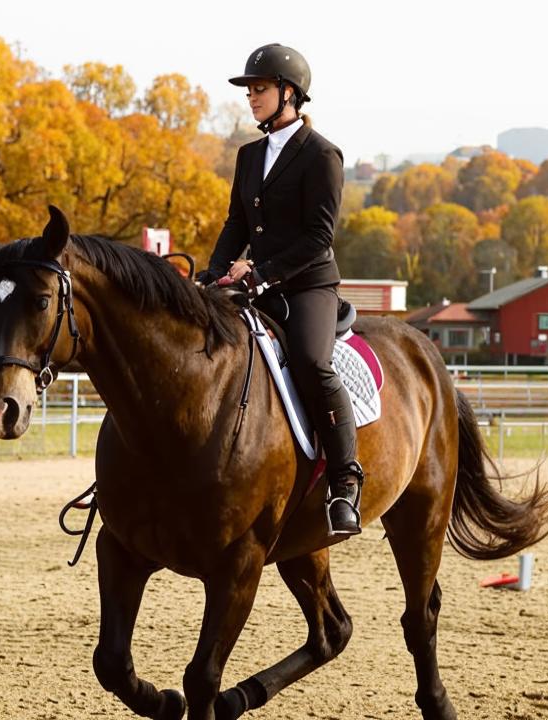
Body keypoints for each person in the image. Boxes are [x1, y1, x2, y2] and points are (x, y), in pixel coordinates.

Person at [196, 43, 363, 536]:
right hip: (255, 283)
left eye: (260, 89)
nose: (251, 97)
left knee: (313, 362)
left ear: (289, 94)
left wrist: (260, 272)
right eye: (249, 90)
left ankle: (344, 482)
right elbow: (235, 224)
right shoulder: (249, 156)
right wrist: (213, 272)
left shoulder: (321, 155)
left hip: (309, 285)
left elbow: (318, 238)